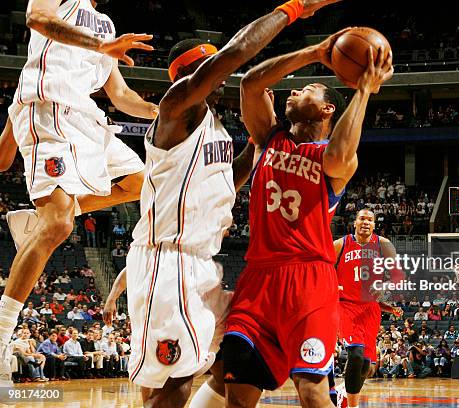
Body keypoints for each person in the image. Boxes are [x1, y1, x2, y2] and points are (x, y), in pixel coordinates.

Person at [124, 1, 342, 407]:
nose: (221, 79)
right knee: (174, 380)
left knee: (227, 360)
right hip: (170, 260)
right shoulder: (177, 109)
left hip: (202, 264)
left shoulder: (213, 129)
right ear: (194, 74)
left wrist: (264, 141)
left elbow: (230, 178)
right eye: (212, 69)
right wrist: (294, 10)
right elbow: (238, 56)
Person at [222, 20, 393, 406]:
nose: (294, 89)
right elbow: (249, 83)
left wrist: (364, 89)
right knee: (238, 395)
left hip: (308, 282)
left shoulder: (332, 161)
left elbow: (341, 152)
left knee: (313, 392)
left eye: (307, 88)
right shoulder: (270, 137)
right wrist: (317, 52)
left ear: (327, 108)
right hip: (258, 280)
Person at [0, 0, 158, 386]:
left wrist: (165, 109)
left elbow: (120, 96)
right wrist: (101, 46)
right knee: (59, 227)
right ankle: (1, 335)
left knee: (141, 182)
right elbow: (38, 19)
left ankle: (38, 220)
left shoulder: (106, 23)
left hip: (85, 117)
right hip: (50, 104)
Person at [333, 209, 403, 408]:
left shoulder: (383, 244)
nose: (366, 222)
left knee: (367, 366)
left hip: (370, 309)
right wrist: (331, 284)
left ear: (374, 225)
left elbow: (398, 275)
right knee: (355, 355)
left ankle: (343, 392)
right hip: (346, 305)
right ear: (354, 223)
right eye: (362, 219)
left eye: (370, 220)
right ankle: (351, 405)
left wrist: (384, 289)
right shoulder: (341, 244)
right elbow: (320, 266)